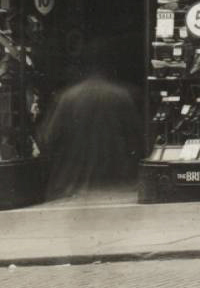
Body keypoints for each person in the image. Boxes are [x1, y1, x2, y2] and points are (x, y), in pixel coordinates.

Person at [38, 50, 139, 201]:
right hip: (118, 186)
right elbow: (136, 138)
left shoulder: (67, 97)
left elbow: (48, 138)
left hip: (73, 187)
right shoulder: (122, 95)